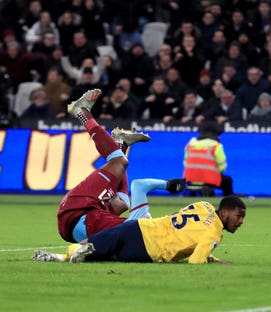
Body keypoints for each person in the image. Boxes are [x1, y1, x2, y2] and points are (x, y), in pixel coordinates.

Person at [57, 88, 186, 243]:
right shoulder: (140, 231)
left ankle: (92, 120)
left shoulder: (139, 229)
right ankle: (112, 137)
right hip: (78, 225)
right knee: (122, 202)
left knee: (119, 164)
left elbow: (139, 186)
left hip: (76, 212)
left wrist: (169, 185)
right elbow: (137, 187)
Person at [33, 196, 246, 264]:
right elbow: (195, 260)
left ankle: (62, 256)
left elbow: (192, 232)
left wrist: (211, 256)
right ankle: (65, 256)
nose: (241, 221)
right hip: (147, 250)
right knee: (109, 255)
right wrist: (211, 257)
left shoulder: (204, 205)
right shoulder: (214, 234)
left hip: (140, 226)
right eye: (239, 216)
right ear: (225, 213)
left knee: (98, 243)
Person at [183, 122, 235, 197]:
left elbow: (185, 163)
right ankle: (228, 203)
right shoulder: (216, 145)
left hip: (190, 178)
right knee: (228, 181)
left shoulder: (190, 144)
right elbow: (222, 166)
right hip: (208, 179)